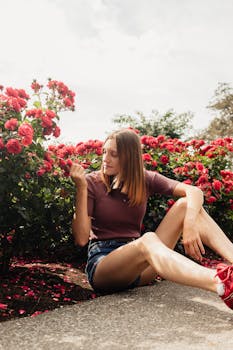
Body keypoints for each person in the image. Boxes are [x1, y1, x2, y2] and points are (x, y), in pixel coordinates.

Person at [70, 128, 233, 310]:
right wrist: (81, 189)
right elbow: (81, 238)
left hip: (141, 267)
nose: (105, 159)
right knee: (148, 240)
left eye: (113, 154)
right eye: (104, 152)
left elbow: (193, 191)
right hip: (104, 265)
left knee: (186, 205)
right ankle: (222, 283)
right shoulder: (92, 183)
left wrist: (189, 224)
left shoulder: (144, 179)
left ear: (129, 158)